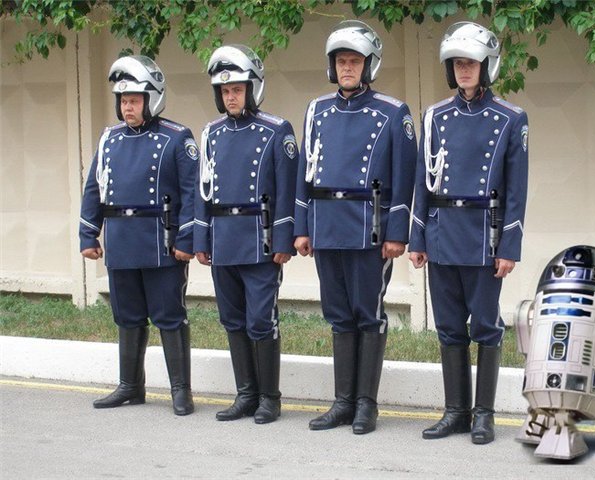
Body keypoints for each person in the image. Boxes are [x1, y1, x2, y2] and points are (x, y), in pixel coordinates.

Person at [294, 20, 417, 435]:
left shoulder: (393, 112)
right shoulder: (316, 110)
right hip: (326, 226)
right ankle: (342, 402)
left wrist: (397, 232)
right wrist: (302, 226)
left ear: (369, 65)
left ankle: (366, 404)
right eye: (341, 61)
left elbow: (404, 176)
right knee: (338, 315)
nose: (347, 67)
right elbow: (305, 173)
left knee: (368, 314)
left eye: (355, 61)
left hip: (369, 229)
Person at [409, 22, 529, 444]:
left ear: (487, 66)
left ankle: (484, 415)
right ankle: (456, 412)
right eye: (458, 63)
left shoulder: (511, 119)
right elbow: (423, 182)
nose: (464, 69)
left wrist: (509, 246)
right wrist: (417, 238)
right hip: (441, 235)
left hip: (483, 237)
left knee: (485, 327)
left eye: (471, 63)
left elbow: (516, 191)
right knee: (448, 328)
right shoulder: (434, 116)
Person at [79, 55, 199, 415]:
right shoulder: (109, 139)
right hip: (120, 242)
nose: (127, 107)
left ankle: (181, 391)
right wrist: (88, 234)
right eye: (123, 100)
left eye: (134, 100)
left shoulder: (177, 138)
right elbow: (94, 189)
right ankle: (130, 386)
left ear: (152, 100)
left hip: (161, 244)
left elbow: (192, 193)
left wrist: (186, 239)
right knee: (127, 316)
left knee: (169, 316)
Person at [193, 45, 298, 424]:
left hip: (260, 241)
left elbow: (287, 190)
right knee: (232, 320)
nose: (231, 97)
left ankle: (270, 398)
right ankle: (246, 394)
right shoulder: (211, 133)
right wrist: (201, 239)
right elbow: (202, 191)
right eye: (225, 91)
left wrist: (283, 240)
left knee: (260, 321)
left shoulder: (277, 130)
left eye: (237, 89)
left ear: (252, 89)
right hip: (223, 240)